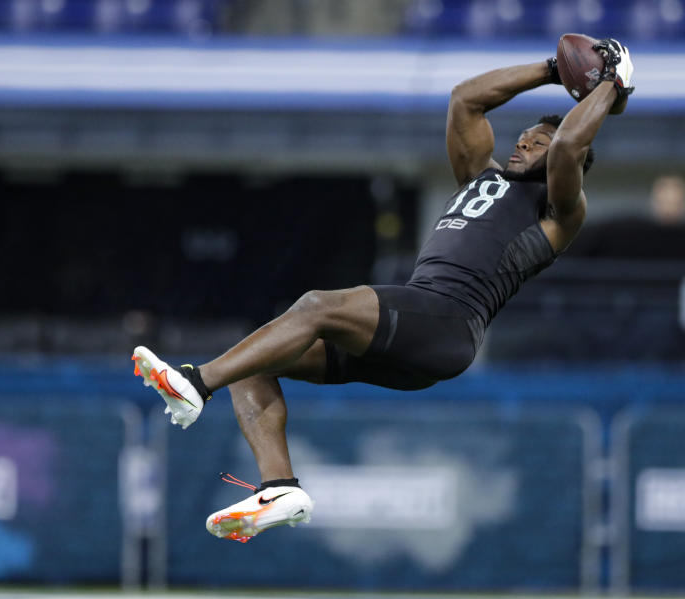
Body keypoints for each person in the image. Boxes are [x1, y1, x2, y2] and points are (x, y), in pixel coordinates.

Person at [132, 38, 635, 544]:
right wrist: (552, 70)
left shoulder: (558, 212)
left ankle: (195, 385)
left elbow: (571, 144)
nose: (524, 143)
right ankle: (279, 488)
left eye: (537, 142)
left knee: (316, 306)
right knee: (256, 359)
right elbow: (466, 98)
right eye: (524, 137)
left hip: (448, 321)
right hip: (418, 328)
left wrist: (609, 85)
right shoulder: (478, 178)